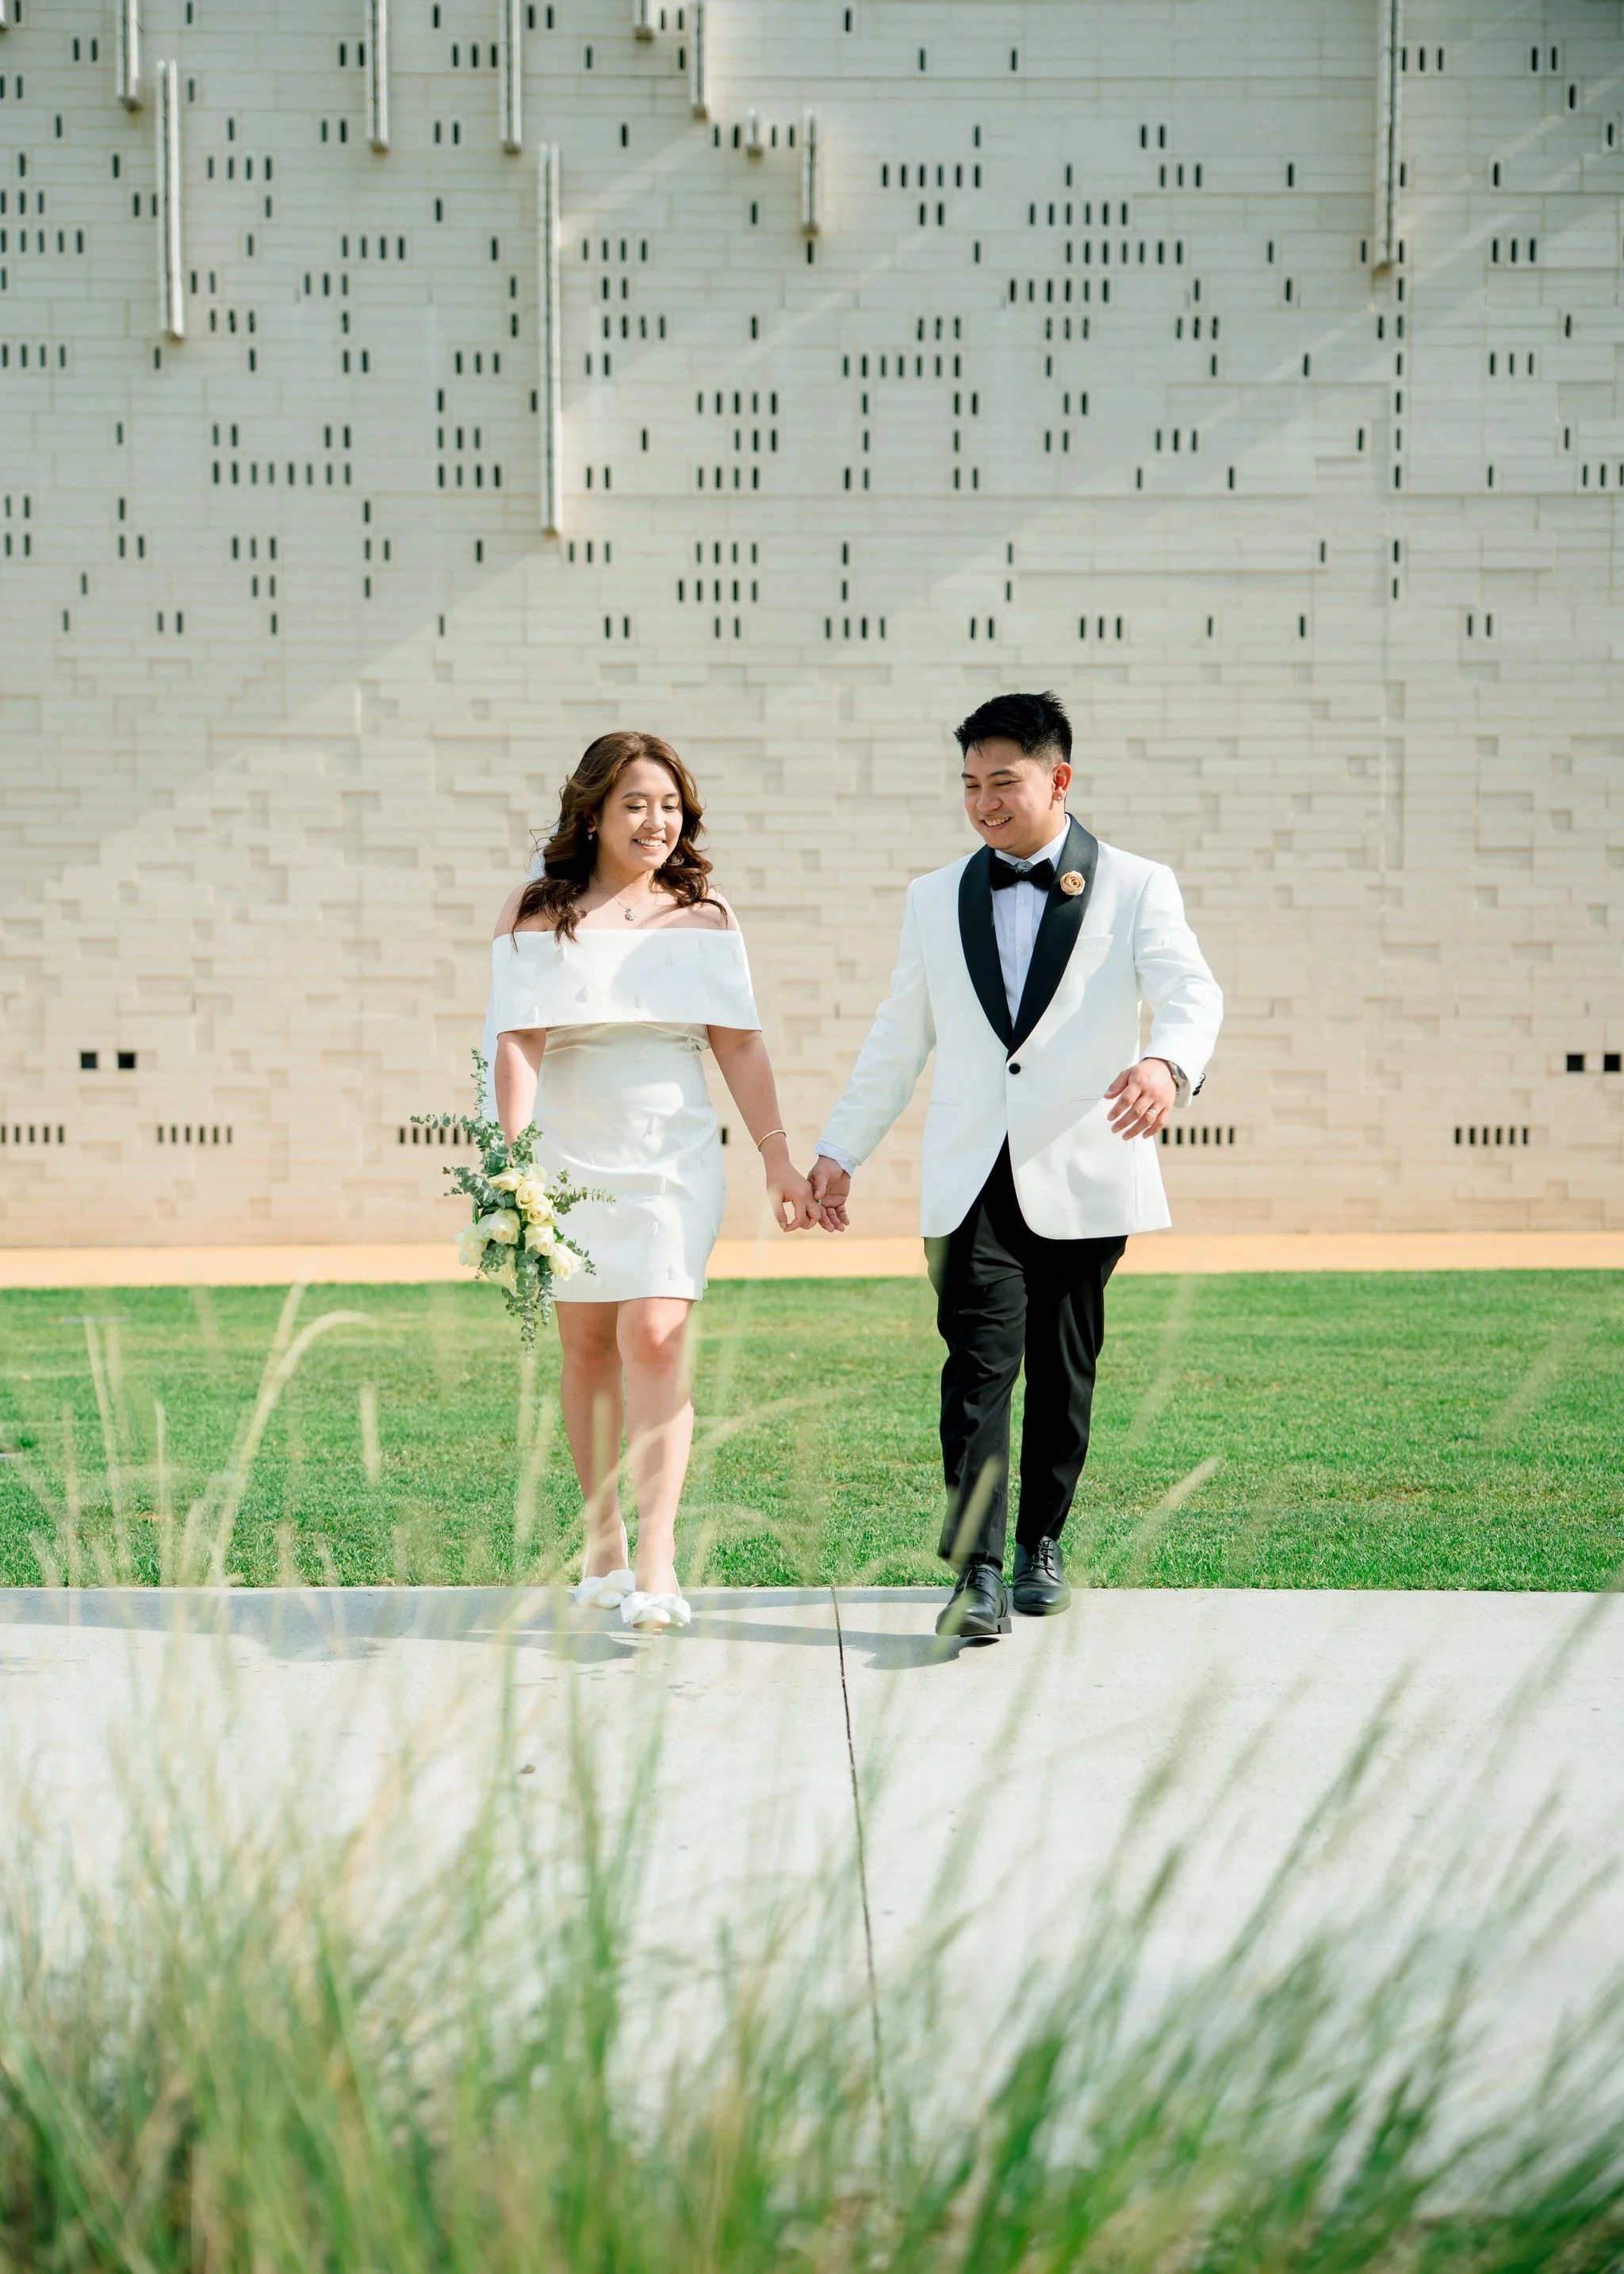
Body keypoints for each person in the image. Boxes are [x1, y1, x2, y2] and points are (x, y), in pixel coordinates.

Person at [810, 691, 1223, 1639]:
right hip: (969, 1177)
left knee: (1065, 1371)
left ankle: (1041, 1542)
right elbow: (897, 1035)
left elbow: (1190, 993)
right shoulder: (932, 897)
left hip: (1084, 1166)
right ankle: (977, 1572)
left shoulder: (1136, 884)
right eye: (968, 784)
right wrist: (839, 1148)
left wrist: (1165, 1064)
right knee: (976, 1370)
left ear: (1057, 778)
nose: (982, 802)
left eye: (1001, 781)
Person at [486, 731, 816, 1632]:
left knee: (657, 1333)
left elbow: (738, 1043)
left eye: (670, 805)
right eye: (635, 803)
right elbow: (519, 1041)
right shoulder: (536, 910)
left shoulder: (706, 914)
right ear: (593, 812)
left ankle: (659, 1560)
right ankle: (604, 1543)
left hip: (673, 1154)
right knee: (588, 1345)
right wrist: (512, 1161)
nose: (655, 821)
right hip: (566, 1154)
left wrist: (777, 1156)